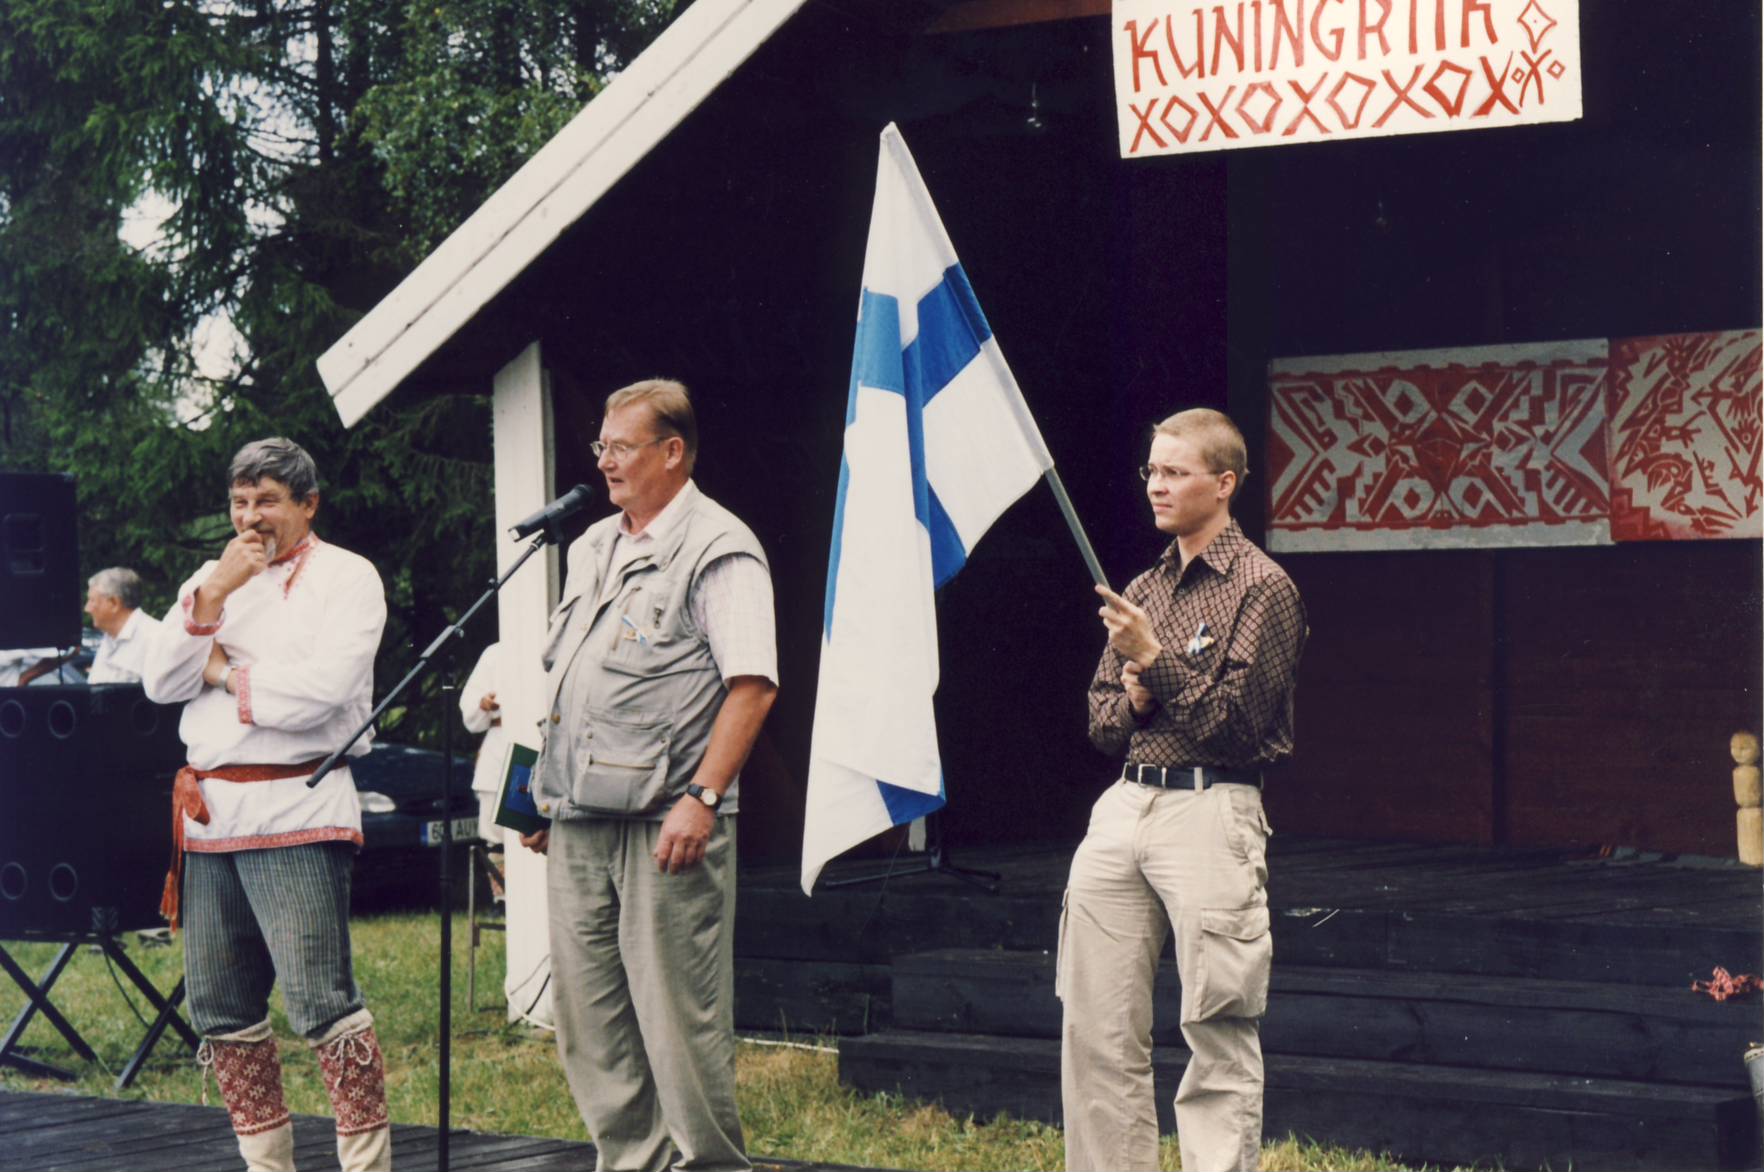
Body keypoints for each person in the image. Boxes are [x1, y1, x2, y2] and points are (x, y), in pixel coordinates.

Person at [522, 379, 778, 1172]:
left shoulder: (719, 545)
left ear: (673, 451)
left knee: (676, 1020)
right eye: (600, 447)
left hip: (666, 823)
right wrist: (531, 795)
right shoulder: (594, 544)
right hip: (577, 820)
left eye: (621, 447)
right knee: (587, 1017)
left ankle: (708, 1165)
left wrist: (701, 798)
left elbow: (753, 685)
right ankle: (632, 1162)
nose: (604, 463)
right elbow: (565, 680)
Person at [1059, 408, 1307, 1172]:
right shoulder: (1144, 586)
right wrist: (1135, 696)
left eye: (1175, 472)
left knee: (1217, 1020)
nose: (1157, 486)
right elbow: (1102, 723)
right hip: (1126, 804)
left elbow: (1236, 726)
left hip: (1212, 804)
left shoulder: (1264, 589)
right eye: (1152, 471)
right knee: (1096, 1024)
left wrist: (1155, 662)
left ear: (1224, 483)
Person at [142, 436, 392, 1172]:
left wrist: (222, 674)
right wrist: (212, 597)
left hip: (298, 808)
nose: (251, 519)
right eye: (240, 501)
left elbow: (328, 692)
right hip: (213, 815)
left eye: (269, 502)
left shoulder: (348, 577)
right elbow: (159, 681)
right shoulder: (212, 578)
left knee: (323, 1003)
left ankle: (367, 1168)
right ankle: (268, 1168)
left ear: (307, 506)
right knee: (219, 1009)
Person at [459, 641, 507, 847]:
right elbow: (470, 714)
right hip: (498, 749)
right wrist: (482, 703)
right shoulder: (495, 652)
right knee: (496, 838)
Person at [85, 566, 160, 684]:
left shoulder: (155, 638)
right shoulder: (109, 638)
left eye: (92, 601)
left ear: (114, 603)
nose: (87, 609)